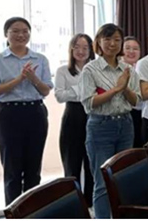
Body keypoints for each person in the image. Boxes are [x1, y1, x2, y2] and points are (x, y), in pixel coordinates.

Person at [0, 17, 53, 205]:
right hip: (9, 114)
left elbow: (46, 90)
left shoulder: (40, 59)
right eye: (15, 31)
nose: (21, 35)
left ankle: (32, 212)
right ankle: (14, 213)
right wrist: (19, 79)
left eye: (25, 31)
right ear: (6, 34)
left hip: (36, 112)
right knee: (12, 170)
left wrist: (33, 79)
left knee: (33, 169)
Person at [79, 24, 141, 219]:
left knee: (122, 178)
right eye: (107, 39)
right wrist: (116, 89)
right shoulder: (90, 69)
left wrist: (124, 87)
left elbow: (136, 101)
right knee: (102, 182)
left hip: (125, 125)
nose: (112, 43)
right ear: (98, 42)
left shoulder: (128, 69)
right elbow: (89, 103)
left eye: (117, 39)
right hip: (101, 127)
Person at [54, 33, 95, 206]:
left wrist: (75, 91)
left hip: (93, 115)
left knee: (91, 164)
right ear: (71, 49)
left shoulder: (95, 69)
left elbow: (99, 93)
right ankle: (73, 205)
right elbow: (59, 96)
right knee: (71, 163)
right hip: (73, 116)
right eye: (77, 47)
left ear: (91, 50)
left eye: (85, 47)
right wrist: (83, 90)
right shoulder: (63, 70)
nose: (81, 51)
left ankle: (90, 203)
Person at [121, 36, 143, 148]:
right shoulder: (117, 69)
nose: (131, 52)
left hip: (142, 114)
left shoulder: (143, 67)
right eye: (127, 48)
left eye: (135, 49)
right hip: (124, 114)